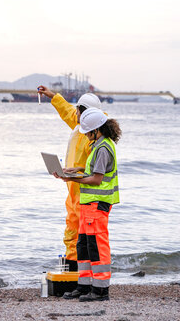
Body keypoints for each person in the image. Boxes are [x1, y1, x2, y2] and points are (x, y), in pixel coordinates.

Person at [56, 107, 121, 302]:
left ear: (96, 130)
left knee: (96, 247)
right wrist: (74, 169)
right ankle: (84, 286)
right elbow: (92, 169)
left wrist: (72, 179)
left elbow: (96, 179)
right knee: (83, 245)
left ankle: (100, 290)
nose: (85, 135)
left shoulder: (103, 148)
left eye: (87, 132)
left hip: (97, 204)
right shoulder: (98, 145)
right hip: (87, 205)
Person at [37, 86, 102, 272]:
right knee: (72, 232)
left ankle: (83, 274)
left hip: (86, 192)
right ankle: (72, 271)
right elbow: (67, 112)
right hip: (74, 190)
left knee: (84, 236)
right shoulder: (81, 124)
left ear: (85, 112)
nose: (76, 114)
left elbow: (96, 171)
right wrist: (53, 96)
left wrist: (74, 174)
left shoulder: (95, 135)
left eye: (78, 111)